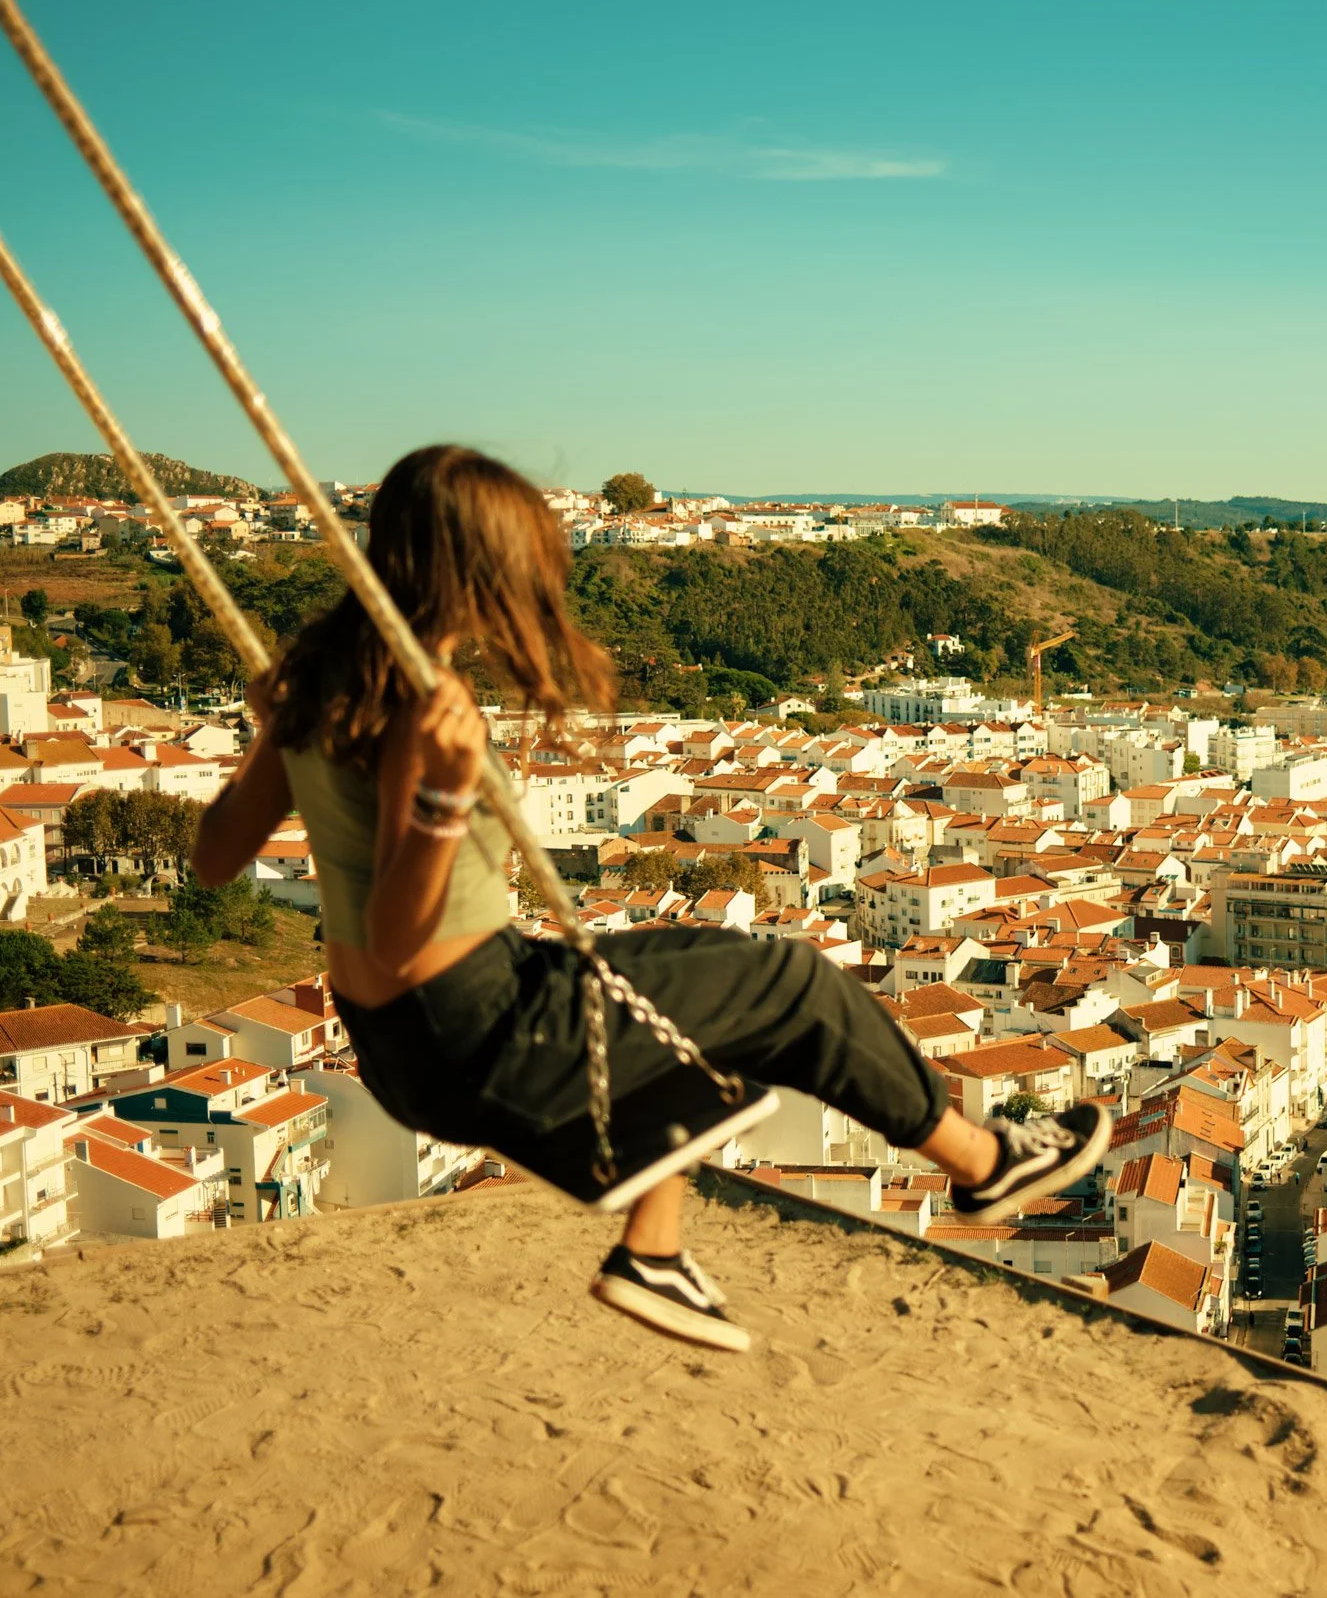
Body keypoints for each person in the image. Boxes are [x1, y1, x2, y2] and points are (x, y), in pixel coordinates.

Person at [193, 445, 1109, 1351]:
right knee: (791, 985)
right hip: (474, 1021)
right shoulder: (423, 706)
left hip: (397, 1046)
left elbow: (214, 856)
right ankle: (983, 1161)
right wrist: (440, 796)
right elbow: (400, 933)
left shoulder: (319, 685)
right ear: (473, 574)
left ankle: (656, 1248)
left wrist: (271, 735)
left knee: (681, 995)